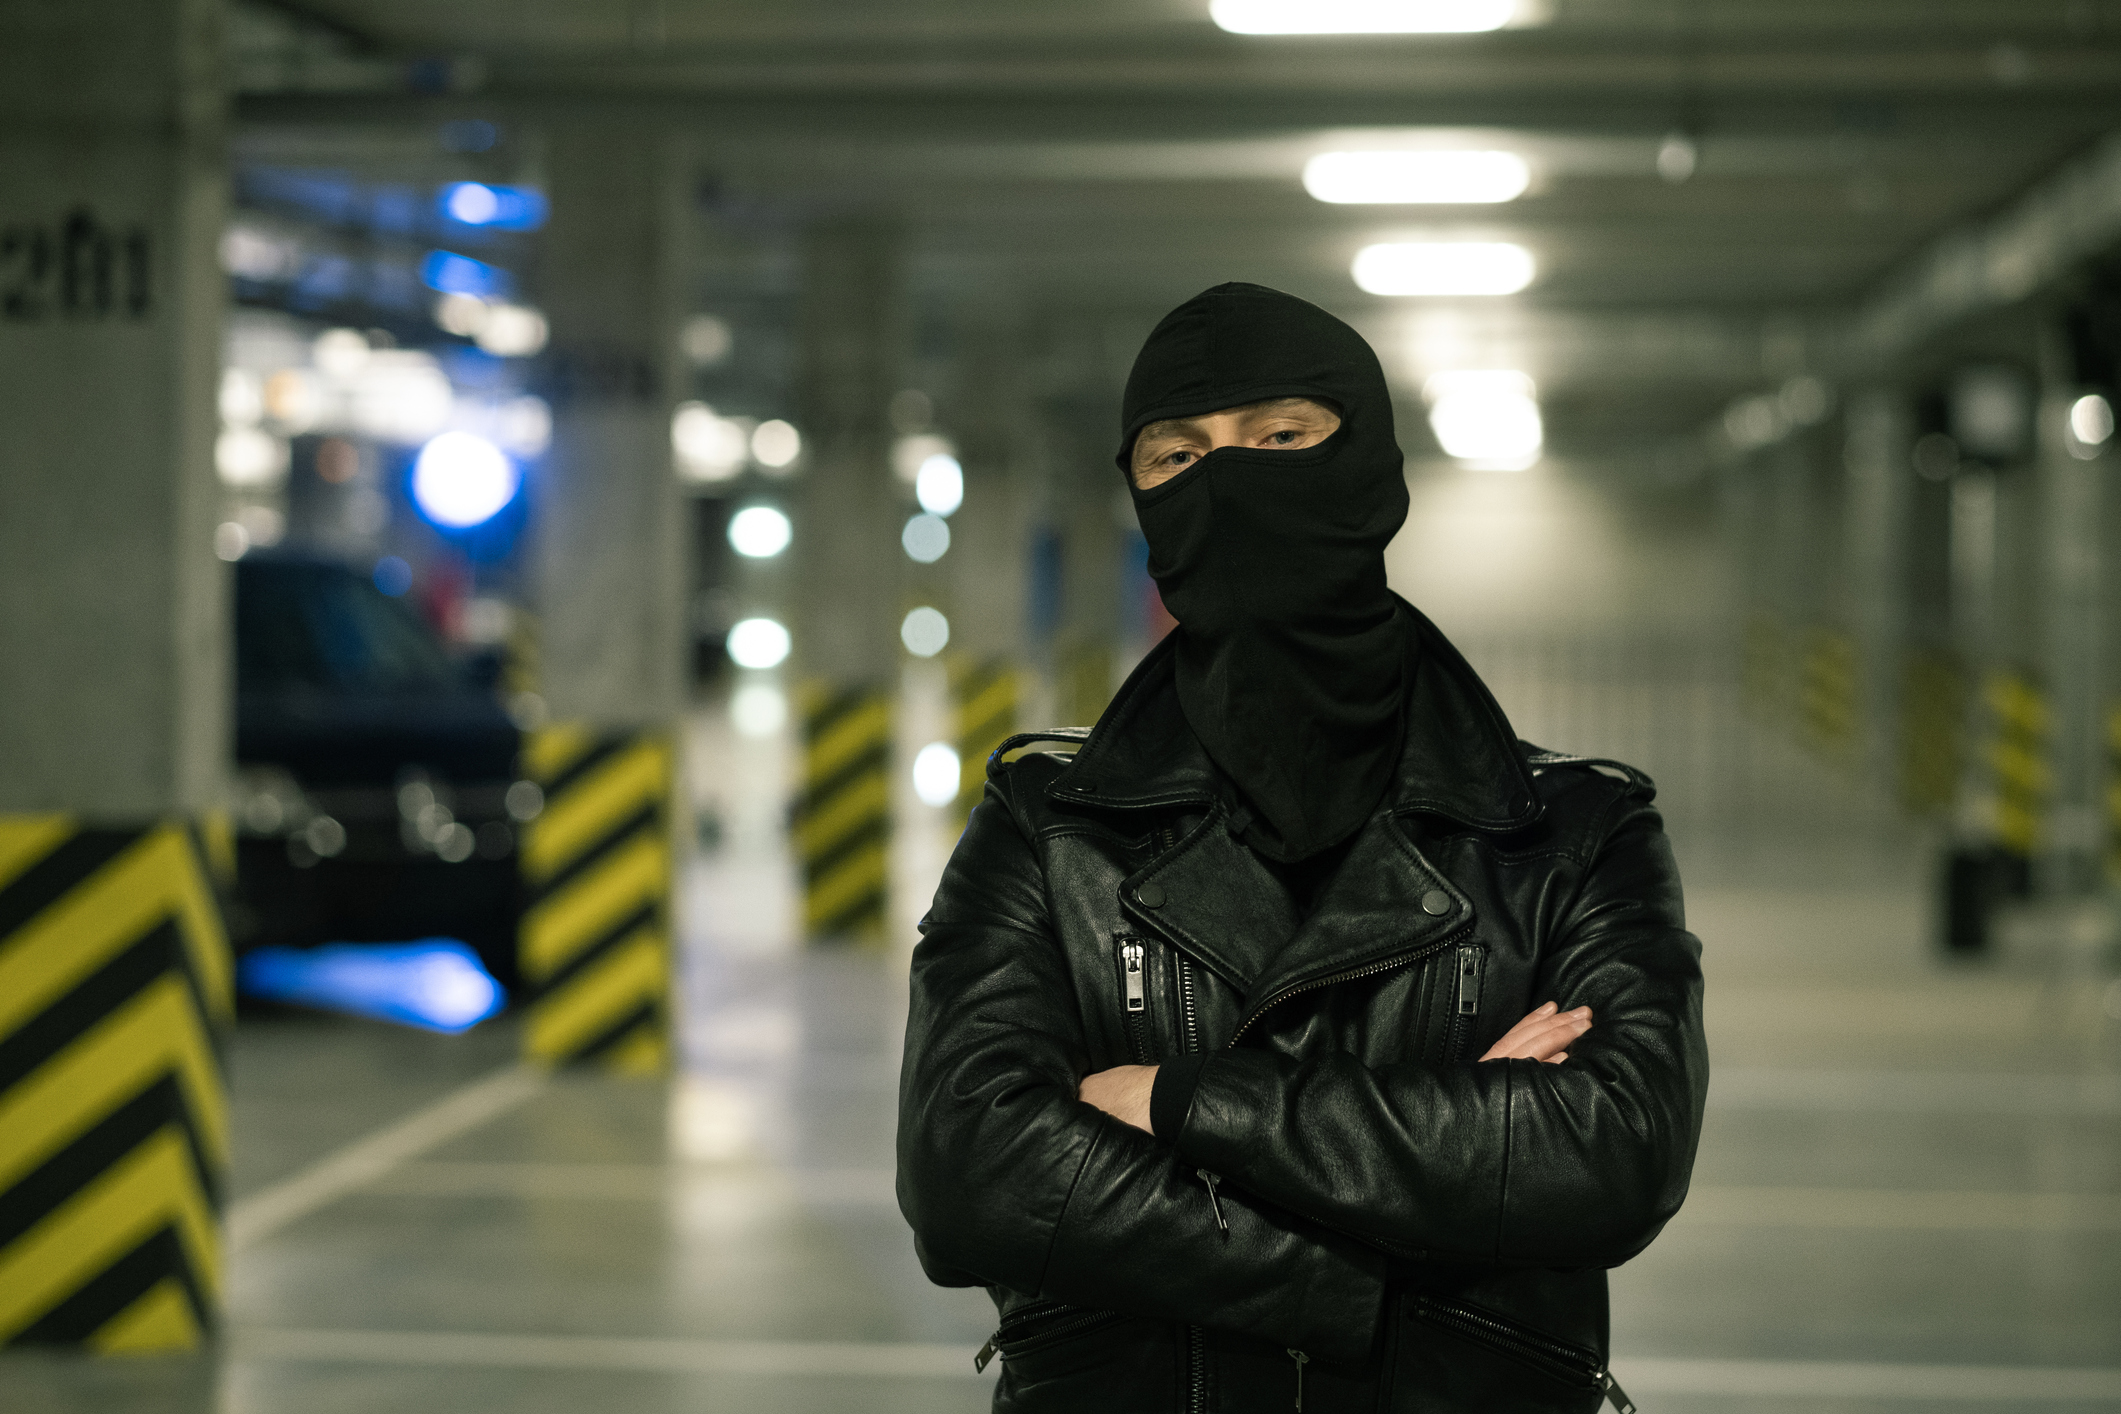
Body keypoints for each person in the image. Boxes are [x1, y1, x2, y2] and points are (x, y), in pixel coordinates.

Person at [896, 282, 1707, 1413]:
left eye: (1280, 438)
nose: (1227, 482)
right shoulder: (1049, 825)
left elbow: (1614, 1154)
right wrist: (1394, 1233)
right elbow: (970, 1175)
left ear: (1368, 462)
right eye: (1176, 458)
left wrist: (1179, 1103)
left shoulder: (1567, 834)